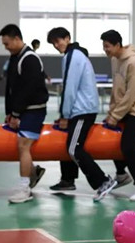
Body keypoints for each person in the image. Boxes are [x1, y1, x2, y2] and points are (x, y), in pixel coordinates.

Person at [47, 27, 117, 201]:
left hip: (82, 110)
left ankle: (103, 181)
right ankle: (67, 179)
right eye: (53, 43)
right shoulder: (75, 55)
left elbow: (70, 87)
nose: (56, 45)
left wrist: (65, 115)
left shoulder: (73, 56)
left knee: (73, 148)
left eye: (58, 41)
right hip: (81, 109)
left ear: (67, 38)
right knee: (68, 141)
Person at [101, 29, 135, 201]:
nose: (105, 50)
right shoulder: (115, 60)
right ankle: (121, 174)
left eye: (108, 46)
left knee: (128, 145)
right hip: (124, 107)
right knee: (109, 137)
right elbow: (117, 89)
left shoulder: (134, 63)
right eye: (104, 46)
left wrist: (115, 116)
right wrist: (111, 113)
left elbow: (132, 93)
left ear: (118, 45)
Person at [0, 24, 47, 203]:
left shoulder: (30, 59)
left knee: (23, 145)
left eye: (7, 44)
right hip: (21, 109)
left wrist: (16, 114)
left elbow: (29, 90)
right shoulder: (15, 57)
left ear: (17, 39)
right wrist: (9, 112)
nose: (6, 47)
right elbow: (11, 88)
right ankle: (33, 172)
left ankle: (24, 188)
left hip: (34, 109)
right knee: (20, 145)